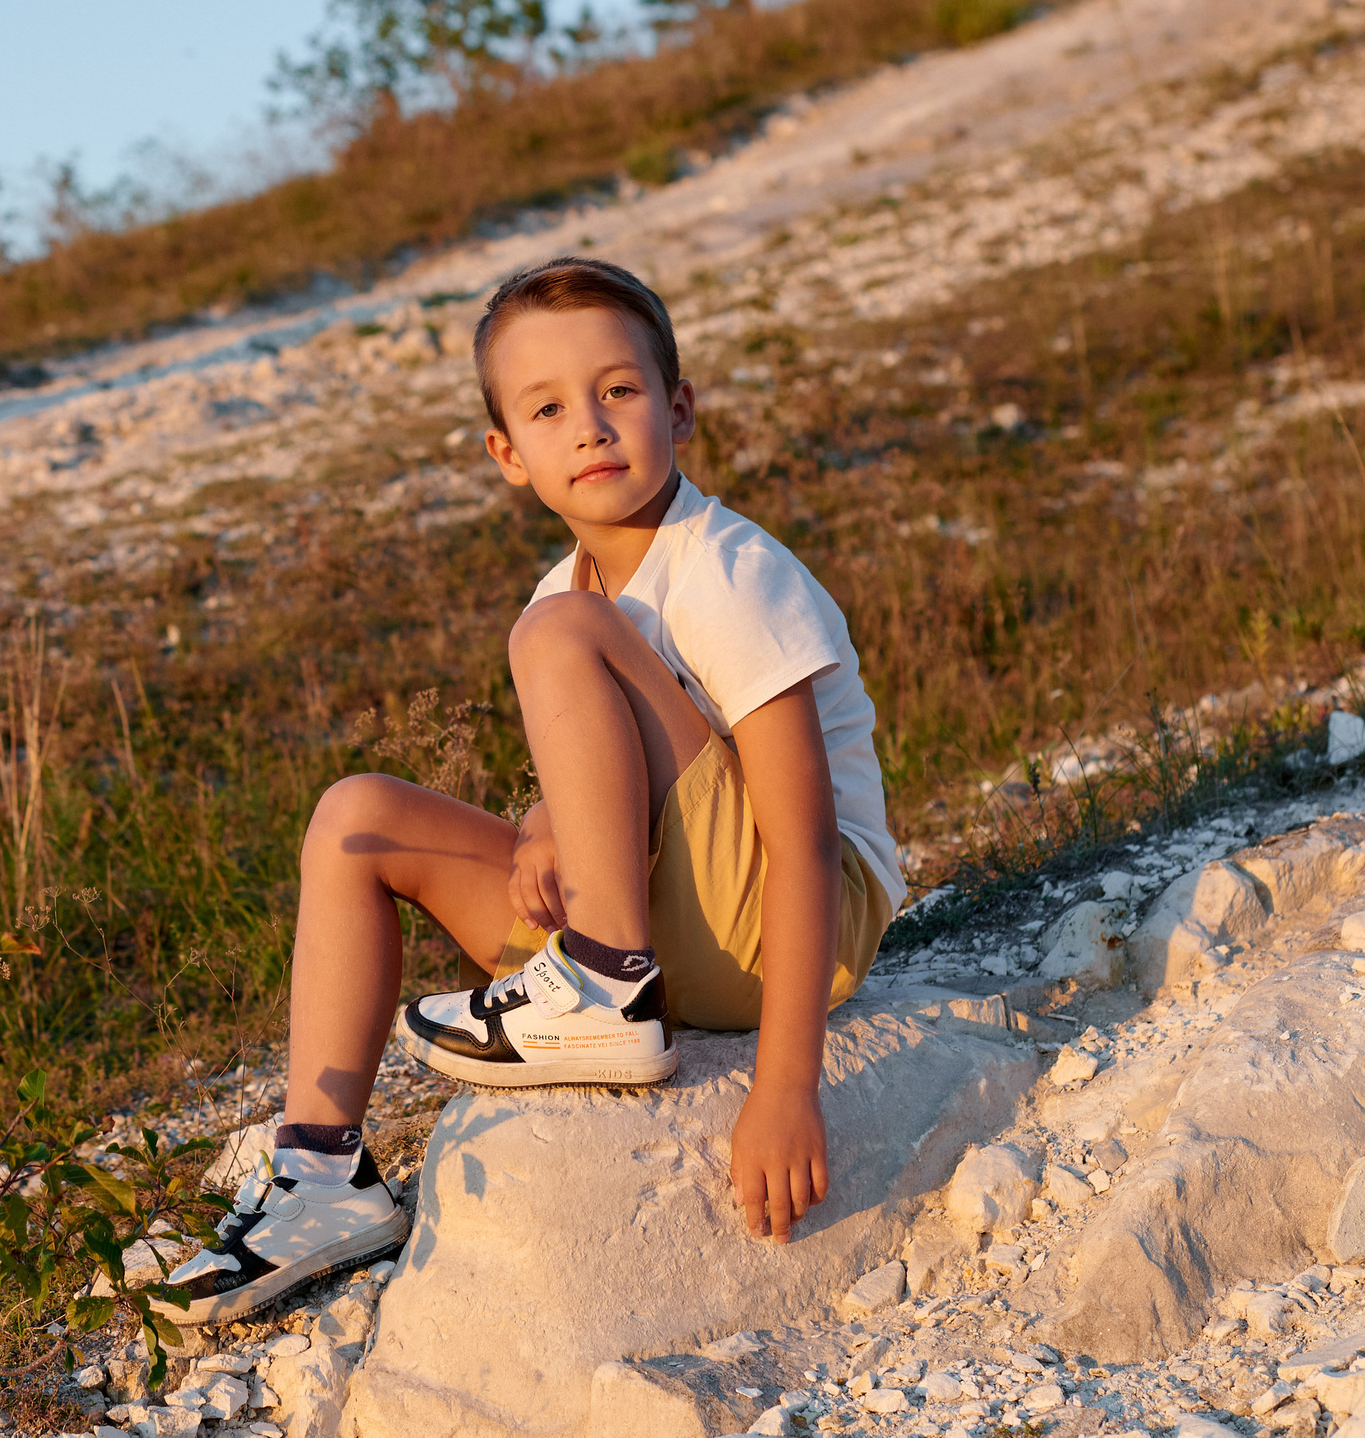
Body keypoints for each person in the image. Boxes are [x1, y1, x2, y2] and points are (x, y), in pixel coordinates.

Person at [154, 256, 901, 1325]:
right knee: (353, 817)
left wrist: (786, 1086)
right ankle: (320, 1178)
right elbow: (617, 765)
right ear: (507, 452)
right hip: (673, 923)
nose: (590, 427)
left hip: (802, 927)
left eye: (620, 391)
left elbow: (804, 833)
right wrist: (547, 822)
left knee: (557, 636)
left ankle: (603, 984)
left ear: (678, 408)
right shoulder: (565, 592)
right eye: (548, 408)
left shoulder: (730, 570)